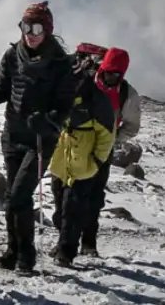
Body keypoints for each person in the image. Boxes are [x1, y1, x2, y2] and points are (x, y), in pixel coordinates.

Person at [0, 1, 74, 274]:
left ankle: (26, 256)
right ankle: (13, 249)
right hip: (13, 135)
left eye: (37, 27)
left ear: (48, 30)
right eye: (26, 26)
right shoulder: (12, 55)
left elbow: (66, 106)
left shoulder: (60, 64)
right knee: (13, 197)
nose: (30, 33)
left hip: (41, 140)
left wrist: (49, 119)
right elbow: (4, 89)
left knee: (19, 195)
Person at [51, 45, 140, 256]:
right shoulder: (85, 80)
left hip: (102, 149)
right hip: (71, 145)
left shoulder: (128, 94)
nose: (110, 78)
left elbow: (132, 126)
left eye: (115, 75)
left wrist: (111, 140)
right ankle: (64, 240)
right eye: (107, 72)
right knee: (60, 191)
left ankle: (88, 243)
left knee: (92, 197)